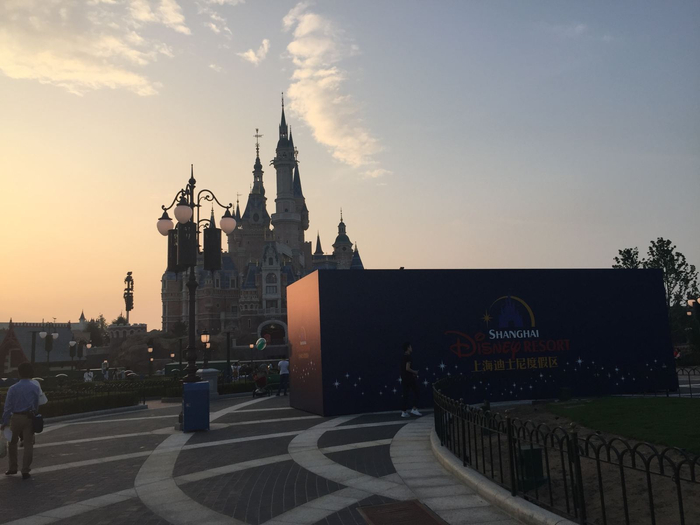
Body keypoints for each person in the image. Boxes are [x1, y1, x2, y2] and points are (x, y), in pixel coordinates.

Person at [1, 363, 40, 479]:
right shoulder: (35, 387)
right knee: (28, 444)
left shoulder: (13, 388)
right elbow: (36, 405)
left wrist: (4, 421)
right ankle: (25, 470)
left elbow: (8, 407)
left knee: (12, 442)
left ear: (19, 373)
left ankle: (13, 467)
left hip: (16, 417)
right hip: (29, 417)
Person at [400, 342, 422, 418]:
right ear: (408, 348)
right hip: (409, 379)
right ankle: (414, 408)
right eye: (410, 347)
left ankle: (404, 412)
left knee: (405, 394)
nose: (411, 348)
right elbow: (407, 368)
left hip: (404, 378)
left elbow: (404, 369)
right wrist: (414, 372)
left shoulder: (403, 357)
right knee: (417, 392)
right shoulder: (408, 357)